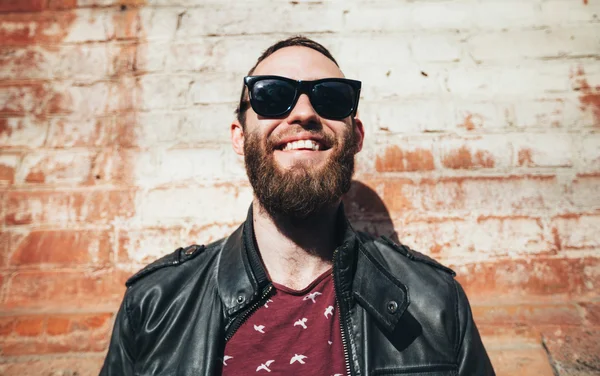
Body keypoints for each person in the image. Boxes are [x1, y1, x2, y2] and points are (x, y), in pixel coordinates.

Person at [100, 36, 494, 376]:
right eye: (273, 95)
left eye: (331, 97)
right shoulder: (155, 306)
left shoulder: (436, 305)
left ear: (355, 136)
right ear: (240, 136)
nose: (304, 113)